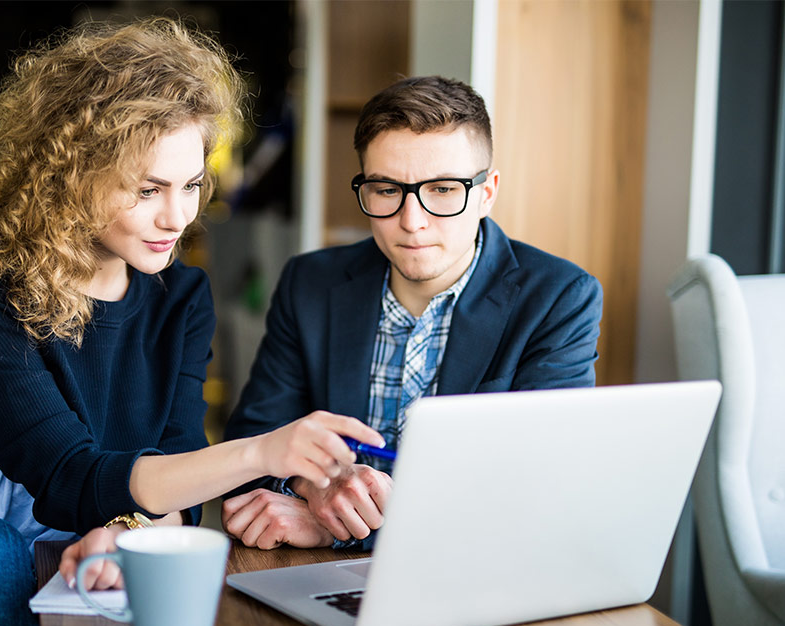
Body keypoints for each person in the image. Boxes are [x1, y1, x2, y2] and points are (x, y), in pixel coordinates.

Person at [0, 19, 382, 626]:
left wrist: (125, 529)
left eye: (190, 184)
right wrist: (262, 452)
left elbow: (174, 470)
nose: (177, 217)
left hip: (59, 594)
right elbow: (66, 475)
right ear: (71, 173)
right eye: (147, 189)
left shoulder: (182, 298)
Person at [221, 75, 603, 552]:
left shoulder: (558, 299)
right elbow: (247, 453)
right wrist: (311, 489)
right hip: (318, 580)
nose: (412, 221)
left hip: (471, 580)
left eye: (443, 189)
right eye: (386, 190)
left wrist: (339, 527)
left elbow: (542, 494)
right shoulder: (311, 284)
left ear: (487, 192)